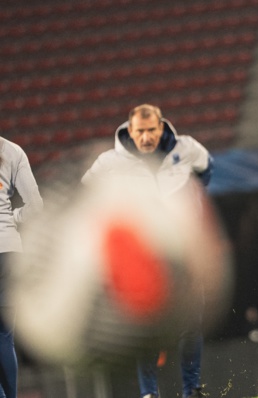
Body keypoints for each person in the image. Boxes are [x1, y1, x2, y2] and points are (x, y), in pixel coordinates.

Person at [82, 104, 213, 398]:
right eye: (140, 131)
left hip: (181, 252)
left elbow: (206, 170)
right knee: (147, 330)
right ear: (130, 131)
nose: (146, 136)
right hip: (143, 257)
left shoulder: (187, 148)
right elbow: (85, 195)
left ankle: (192, 389)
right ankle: (149, 394)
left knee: (191, 323)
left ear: (161, 127)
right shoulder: (109, 162)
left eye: (151, 129)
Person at [0, 137, 43, 398]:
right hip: (8, 250)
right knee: (5, 338)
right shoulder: (13, 150)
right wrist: (12, 218)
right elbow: (37, 207)